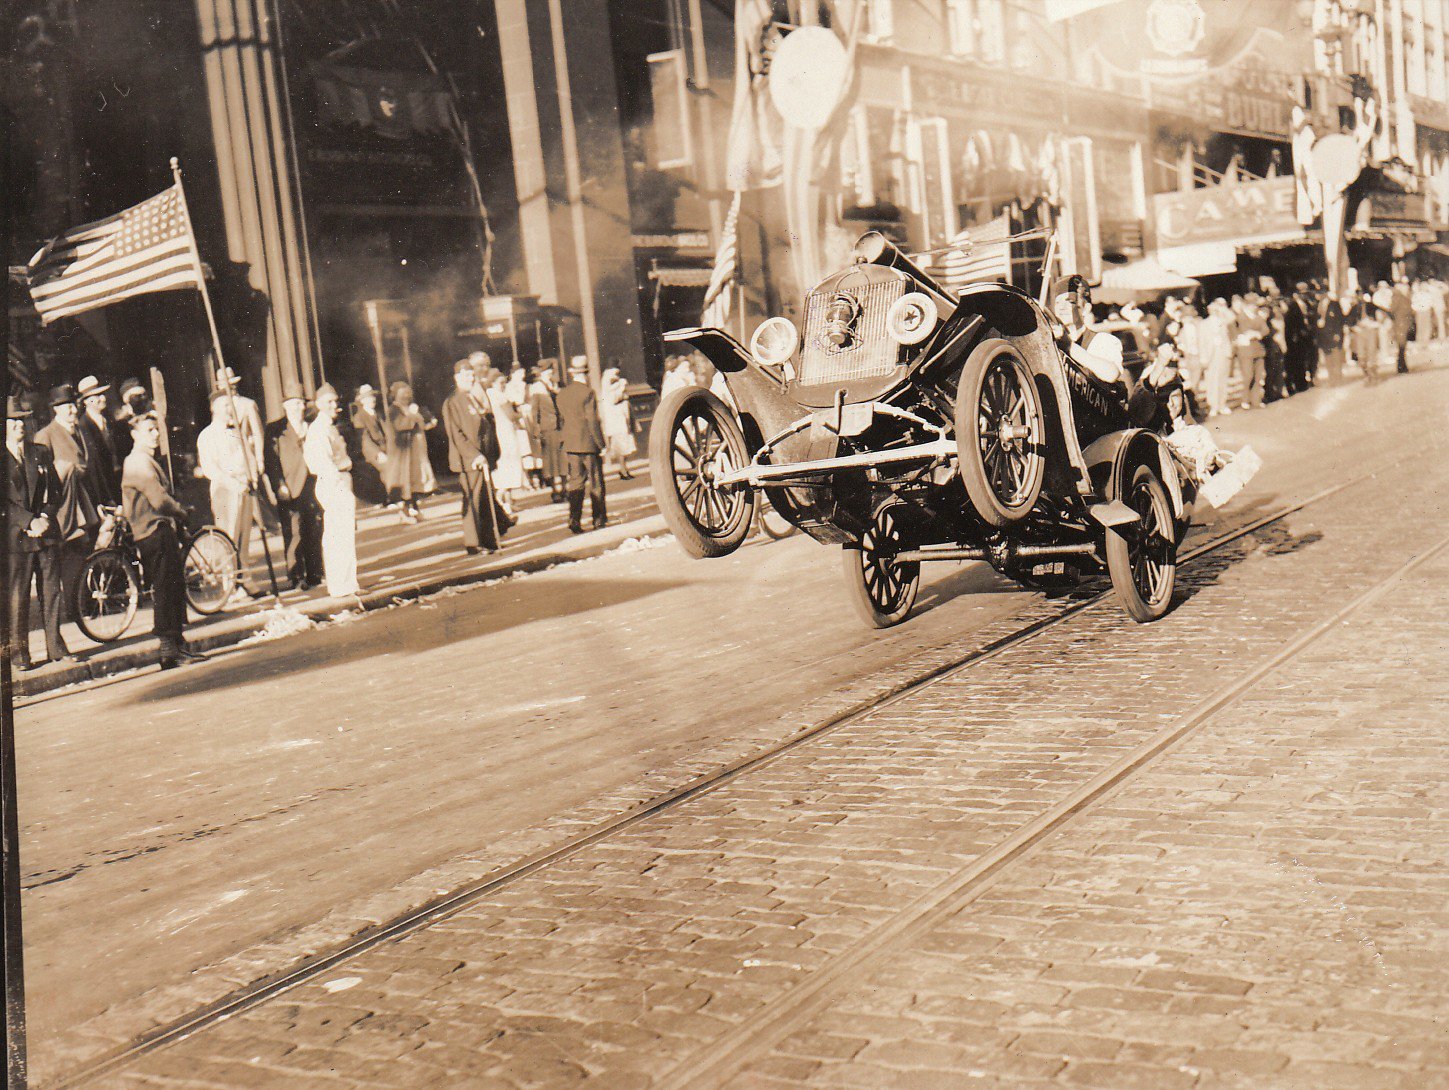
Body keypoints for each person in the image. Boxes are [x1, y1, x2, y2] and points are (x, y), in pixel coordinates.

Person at [121, 413, 203, 669]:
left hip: (155, 530)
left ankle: (177, 645)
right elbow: (158, 500)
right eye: (149, 430)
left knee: (172, 586)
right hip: (153, 531)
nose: (156, 434)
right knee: (166, 588)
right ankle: (169, 649)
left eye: (156, 429)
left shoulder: (143, 460)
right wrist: (180, 511)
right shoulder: (138, 462)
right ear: (135, 435)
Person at [6, 395, 72, 669]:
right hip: (15, 538)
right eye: (12, 421)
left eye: (22, 420)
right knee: (17, 597)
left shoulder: (40, 452)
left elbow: (55, 490)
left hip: (45, 533)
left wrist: (44, 516)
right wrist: (28, 521)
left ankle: (56, 649)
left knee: (51, 592)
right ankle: (19, 655)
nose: (19, 426)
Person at [442, 357, 509, 555]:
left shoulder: (471, 397)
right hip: (470, 460)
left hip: (483, 456)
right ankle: (473, 543)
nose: (471, 378)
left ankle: (489, 540)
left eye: (472, 374)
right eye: (466, 375)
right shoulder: (453, 402)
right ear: (457, 377)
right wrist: (474, 456)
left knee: (485, 499)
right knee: (474, 500)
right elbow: (456, 434)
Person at [196, 391, 256, 597]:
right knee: (229, 537)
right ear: (213, 408)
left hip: (244, 486)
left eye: (231, 405)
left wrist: (251, 477)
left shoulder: (236, 431)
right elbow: (210, 469)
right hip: (225, 489)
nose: (229, 409)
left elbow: (248, 456)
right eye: (225, 406)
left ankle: (245, 580)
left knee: (244, 536)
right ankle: (230, 585)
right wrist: (233, 484)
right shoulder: (207, 436)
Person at [303, 383, 359, 597]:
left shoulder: (330, 427)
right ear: (318, 404)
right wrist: (338, 485)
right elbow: (323, 463)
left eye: (335, 401)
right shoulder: (319, 429)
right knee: (338, 536)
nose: (334, 405)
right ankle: (340, 585)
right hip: (333, 482)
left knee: (344, 535)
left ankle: (348, 583)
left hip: (340, 479)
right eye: (328, 402)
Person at [265, 385, 323, 591]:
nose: (300, 408)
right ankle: (296, 576)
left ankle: (315, 573)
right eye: (295, 404)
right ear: (286, 406)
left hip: (312, 483)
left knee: (314, 528)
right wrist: (279, 485)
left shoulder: (311, 426)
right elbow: (271, 462)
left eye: (302, 403)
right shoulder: (275, 429)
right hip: (289, 487)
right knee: (293, 532)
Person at [35, 383, 98, 541]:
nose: (74, 410)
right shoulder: (46, 435)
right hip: (69, 513)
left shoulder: (81, 430)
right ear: (56, 409)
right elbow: (44, 483)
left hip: (90, 506)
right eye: (69, 407)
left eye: (74, 405)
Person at [555, 355, 608, 533]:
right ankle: (598, 519)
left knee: (576, 482)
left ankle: (574, 520)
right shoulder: (588, 393)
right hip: (588, 443)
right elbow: (592, 420)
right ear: (586, 373)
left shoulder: (562, 394)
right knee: (595, 482)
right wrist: (601, 444)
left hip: (571, 444)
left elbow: (561, 420)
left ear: (572, 374)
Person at [1049, 275, 1126, 389]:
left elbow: (1111, 374)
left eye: (1070, 302)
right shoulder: (1050, 343)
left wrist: (1069, 345)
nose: (1062, 307)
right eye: (1057, 303)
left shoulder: (1102, 341)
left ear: (1085, 309)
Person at [383, 380, 433, 523]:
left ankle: (414, 508)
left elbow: (420, 424)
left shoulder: (409, 408)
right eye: (402, 394)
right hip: (402, 452)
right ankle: (405, 511)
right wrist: (413, 415)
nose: (406, 397)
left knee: (414, 480)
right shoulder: (394, 410)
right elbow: (401, 425)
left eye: (408, 394)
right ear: (395, 395)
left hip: (414, 451)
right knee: (404, 481)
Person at [485, 371, 527, 514]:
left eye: (504, 382)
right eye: (501, 383)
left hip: (498, 431)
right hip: (506, 432)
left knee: (505, 465)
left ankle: (508, 501)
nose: (503, 385)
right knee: (510, 465)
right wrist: (523, 412)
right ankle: (501, 498)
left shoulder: (488, 395)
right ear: (493, 383)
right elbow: (511, 416)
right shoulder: (499, 396)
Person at [77, 375, 121, 507]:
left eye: (102, 394)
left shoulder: (107, 419)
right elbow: (94, 464)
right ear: (86, 402)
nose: (103, 398)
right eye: (97, 396)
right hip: (104, 487)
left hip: (116, 480)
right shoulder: (84, 425)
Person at [526, 360, 565, 502]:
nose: (550, 374)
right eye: (547, 372)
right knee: (551, 460)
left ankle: (564, 488)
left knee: (563, 458)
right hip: (547, 428)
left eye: (551, 371)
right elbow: (534, 411)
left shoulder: (556, 385)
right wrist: (536, 429)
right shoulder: (537, 388)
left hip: (560, 426)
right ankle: (555, 490)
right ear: (542, 373)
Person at [349, 384, 389, 506]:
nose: (372, 399)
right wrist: (378, 453)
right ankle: (390, 498)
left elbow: (387, 432)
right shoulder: (359, 417)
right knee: (387, 467)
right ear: (362, 401)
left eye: (372, 396)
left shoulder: (377, 414)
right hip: (371, 452)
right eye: (368, 397)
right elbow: (365, 439)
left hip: (385, 448)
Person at [599, 365, 636, 480]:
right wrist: (621, 388)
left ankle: (624, 469)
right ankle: (623, 470)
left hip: (621, 418)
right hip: (617, 420)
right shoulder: (610, 385)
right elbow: (614, 399)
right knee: (621, 445)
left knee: (624, 445)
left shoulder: (612, 384)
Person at [1316, 291, 1347, 387]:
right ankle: (1332, 379)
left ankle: (1338, 379)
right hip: (1323, 336)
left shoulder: (1335, 304)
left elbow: (1340, 320)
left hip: (1333, 334)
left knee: (1336, 356)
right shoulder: (1318, 305)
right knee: (1328, 358)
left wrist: (1337, 333)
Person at [1389, 278, 1413, 373]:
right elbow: (1393, 309)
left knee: (1402, 346)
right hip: (1400, 323)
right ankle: (1401, 366)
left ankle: (1402, 366)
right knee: (1401, 345)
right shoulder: (1398, 297)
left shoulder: (1403, 296)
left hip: (1403, 322)